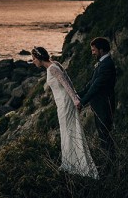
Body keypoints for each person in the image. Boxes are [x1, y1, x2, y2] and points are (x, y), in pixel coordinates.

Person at [32, 47, 98, 179]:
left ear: (39, 58)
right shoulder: (55, 64)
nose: (33, 61)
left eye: (34, 59)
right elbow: (69, 80)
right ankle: (72, 163)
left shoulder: (52, 68)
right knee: (68, 130)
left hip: (64, 103)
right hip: (62, 102)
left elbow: (66, 83)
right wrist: (76, 97)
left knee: (69, 131)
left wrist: (75, 100)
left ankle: (76, 165)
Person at [76, 37, 117, 155]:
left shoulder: (107, 65)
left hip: (104, 106)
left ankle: (111, 163)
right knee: (103, 135)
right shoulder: (103, 63)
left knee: (105, 136)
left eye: (94, 50)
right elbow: (91, 84)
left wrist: (82, 102)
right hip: (100, 106)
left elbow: (96, 87)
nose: (92, 53)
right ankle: (109, 161)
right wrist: (78, 95)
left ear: (101, 50)